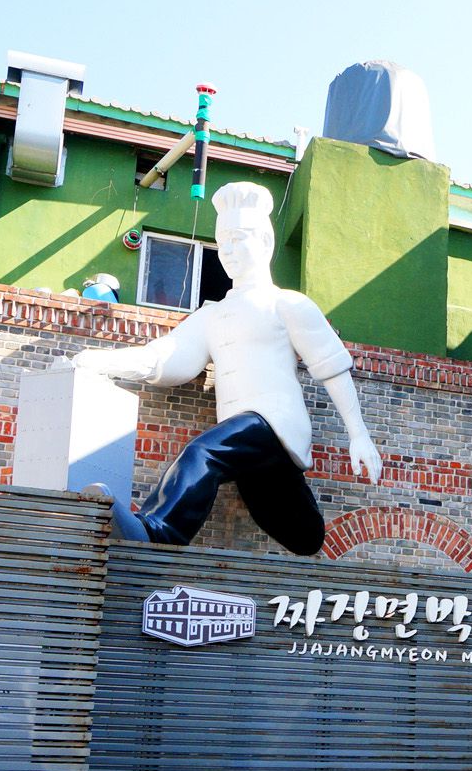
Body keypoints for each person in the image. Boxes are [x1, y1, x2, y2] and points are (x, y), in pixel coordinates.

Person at [73, 181, 381, 552]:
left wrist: (359, 435)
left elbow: (331, 366)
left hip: (275, 420)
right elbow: (165, 358)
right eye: (223, 243)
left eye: (238, 239)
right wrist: (100, 362)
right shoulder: (211, 316)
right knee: (302, 535)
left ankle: (159, 532)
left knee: (202, 453)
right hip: (242, 439)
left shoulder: (287, 304)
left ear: (264, 241)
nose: (229, 252)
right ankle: (306, 529)